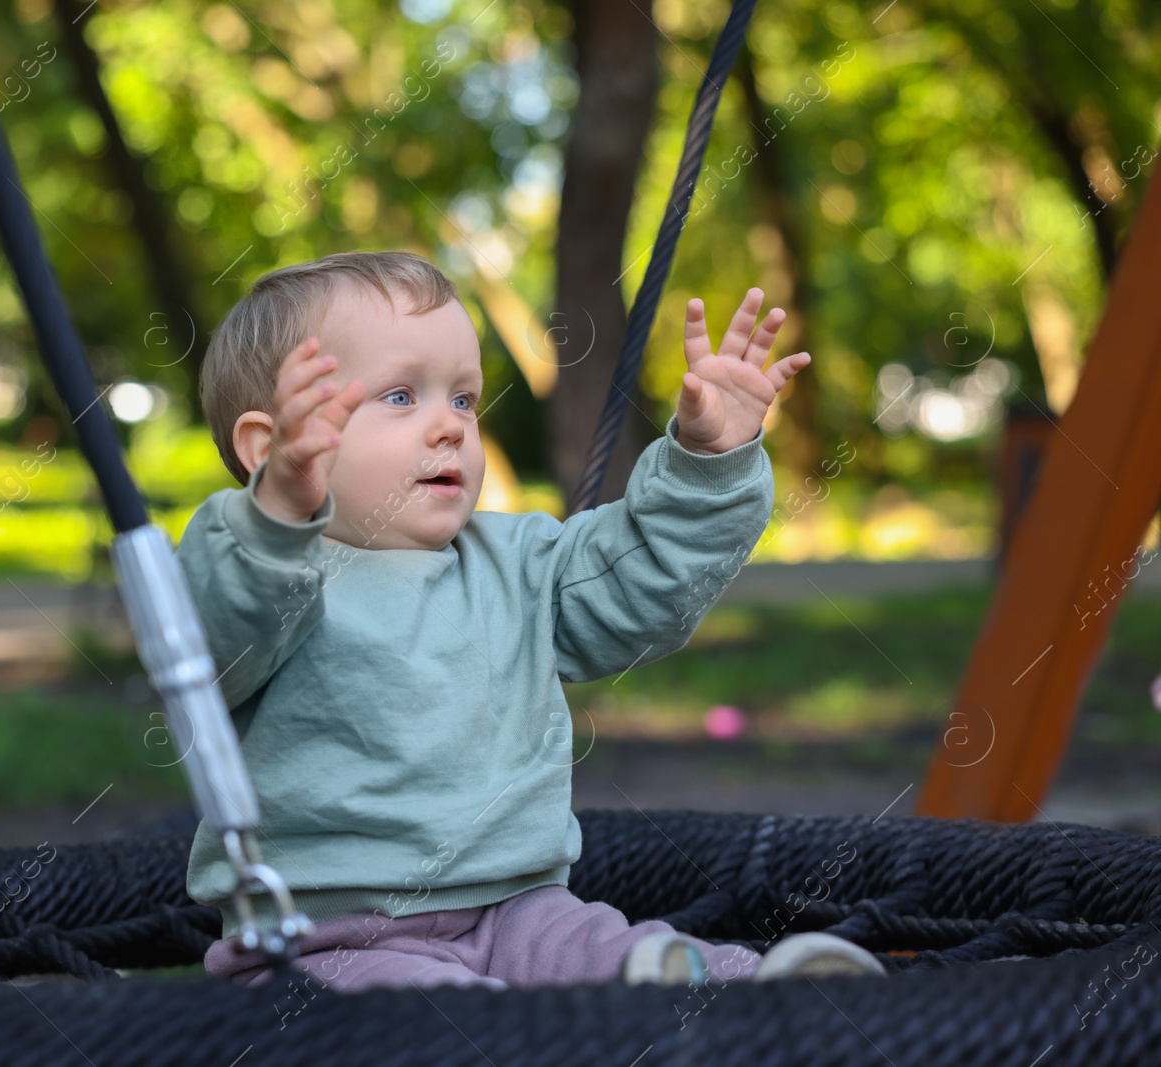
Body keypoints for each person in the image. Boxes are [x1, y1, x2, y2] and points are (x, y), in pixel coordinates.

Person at [175, 250, 882, 995]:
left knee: (612, 948)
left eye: (462, 399)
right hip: (329, 937)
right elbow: (216, 642)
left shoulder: (520, 562)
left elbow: (642, 577)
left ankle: (759, 992)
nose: (449, 427)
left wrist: (710, 458)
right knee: (413, 1014)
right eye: (398, 397)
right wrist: (275, 520)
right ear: (265, 449)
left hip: (521, 910)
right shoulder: (265, 573)